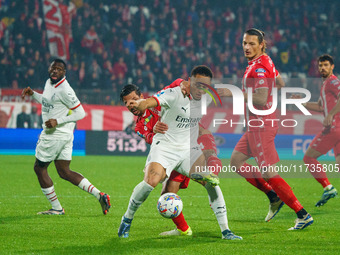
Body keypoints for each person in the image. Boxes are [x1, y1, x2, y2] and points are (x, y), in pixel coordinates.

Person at [118, 65, 242, 240]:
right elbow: (150, 101)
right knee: (151, 181)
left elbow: (228, 92)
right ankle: (127, 219)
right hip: (165, 147)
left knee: (211, 181)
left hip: (188, 149)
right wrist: (140, 104)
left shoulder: (206, 94)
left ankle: (226, 231)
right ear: (190, 82)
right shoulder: (174, 94)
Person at [221, 28, 313, 230]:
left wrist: (235, 92)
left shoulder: (260, 66)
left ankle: (302, 213)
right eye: (245, 43)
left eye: (252, 43)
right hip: (256, 126)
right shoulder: (265, 61)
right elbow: (279, 82)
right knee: (236, 161)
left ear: (262, 44)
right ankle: (273, 196)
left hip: (262, 125)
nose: (247, 47)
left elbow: (262, 98)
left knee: (269, 173)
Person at [21, 59, 111, 215]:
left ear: (64, 72)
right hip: (66, 134)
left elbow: (81, 113)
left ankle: (56, 208)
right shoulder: (49, 83)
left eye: (59, 69)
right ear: (49, 69)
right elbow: (48, 102)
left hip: (55, 134)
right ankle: (100, 195)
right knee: (64, 171)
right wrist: (33, 94)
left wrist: (58, 121)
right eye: (53, 68)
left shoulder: (65, 89)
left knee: (39, 168)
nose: (55, 71)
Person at [300, 54, 339, 206]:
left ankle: (328, 187)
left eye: (326, 65)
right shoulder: (325, 85)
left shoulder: (333, 81)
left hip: (334, 127)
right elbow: (320, 106)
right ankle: (328, 188)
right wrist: (301, 102)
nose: (323, 68)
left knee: (308, 158)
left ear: (332, 67)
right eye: (321, 65)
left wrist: (330, 114)